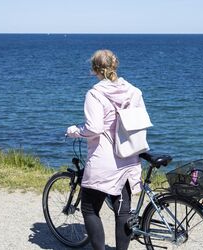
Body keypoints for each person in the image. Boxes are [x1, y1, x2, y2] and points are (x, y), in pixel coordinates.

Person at [65, 49, 147, 250]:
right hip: (128, 156)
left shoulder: (95, 94)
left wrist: (75, 131)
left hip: (105, 161)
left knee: (89, 208)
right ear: (114, 66)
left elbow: (94, 128)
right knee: (123, 212)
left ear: (94, 69)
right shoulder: (134, 91)